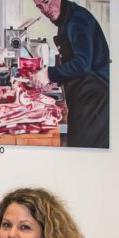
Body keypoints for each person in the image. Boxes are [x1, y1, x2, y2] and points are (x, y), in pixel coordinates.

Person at [30, 0, 109, 148]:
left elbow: (82, 64)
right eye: (40, 6)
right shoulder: (66, 18)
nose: (45, 9)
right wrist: (56, 80)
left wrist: (49, 74)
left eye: (47, 2)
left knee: (83, 151)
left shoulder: (77, 19)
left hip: (95, 99)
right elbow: (72, 60)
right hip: (85, 96)